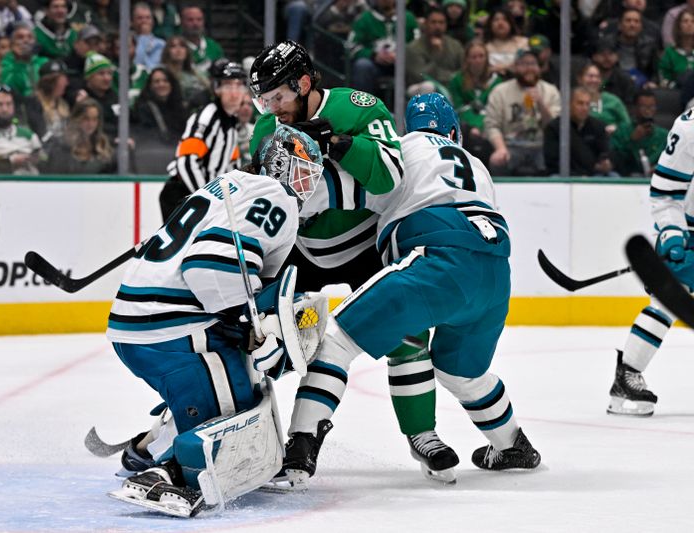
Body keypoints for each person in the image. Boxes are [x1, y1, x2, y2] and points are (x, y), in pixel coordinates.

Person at [274, 93, 541, 489]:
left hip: (437, 261)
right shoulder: (477, 164)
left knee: (336, 341)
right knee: (461, 373)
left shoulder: (402, 149)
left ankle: (299, 451)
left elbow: (336, 192)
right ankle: (513, 444)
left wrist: (272, 184)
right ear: (454, 131)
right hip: (495, 272)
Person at [105, 124, 324, 517]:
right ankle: (166, 473)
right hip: (173, 329)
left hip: (136, 324)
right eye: (302, 170)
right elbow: (208, 266)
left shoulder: (226, 184)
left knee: (234, 384)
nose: (307, 184)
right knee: (238, 420)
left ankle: (147, 449)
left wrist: (245, 319)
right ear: (278, 165)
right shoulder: (277, 197)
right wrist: (250, 325)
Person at [248, 39, 405, 480]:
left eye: (277, 96)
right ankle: (286, 442)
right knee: (260, 336)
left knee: (407, 338)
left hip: (365, 251)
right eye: (263, 99)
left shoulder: (359, 106)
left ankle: (422, 434)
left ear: (303, 83)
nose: (270, 108)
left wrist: (337, 143)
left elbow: (391, 178)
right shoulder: (267, 128)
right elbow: (266, 200)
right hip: (302, 252)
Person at [606, 104, 694, 416]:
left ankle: (626, 375)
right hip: (689, 230)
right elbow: (666, 192)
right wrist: (672, 232)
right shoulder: (689, 129)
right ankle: (627, 375)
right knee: (669, 300)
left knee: (666, 301)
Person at [159, 59, 247, 220]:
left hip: (203, 198)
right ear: (217, 89)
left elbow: (231, 167)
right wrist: (206, 198)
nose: (234, 93)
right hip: (182, 194)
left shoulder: (231, 123)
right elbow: (186, 162)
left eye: (239, 85)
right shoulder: (207, 118)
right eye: (228, 86)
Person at [485, 48, 561, 177]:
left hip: (541, 146)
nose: (529, 68)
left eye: (533, 64)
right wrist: (500, 149)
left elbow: (555, 127)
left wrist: (541, 103)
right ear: (515, 67)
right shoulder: (500, 91)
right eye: (524, 64)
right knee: (497, 161)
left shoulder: (551, 91)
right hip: (511, 145)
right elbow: (492, 125)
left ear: (539, 68)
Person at [346, 0, 419, 99]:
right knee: (362, 65)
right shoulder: (364, 19)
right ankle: (364, 107)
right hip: (375, 66)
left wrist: (402, 55)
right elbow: (351, 46)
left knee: (416, 65)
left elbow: (418, 44)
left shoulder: (408, 18)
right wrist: (373, 55)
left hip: (403, 65)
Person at [448, 39, 503, 164]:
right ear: (467, 59)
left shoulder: (497, 82)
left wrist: (481, 126)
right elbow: (459, 108)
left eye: (481, 56)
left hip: (489, 123)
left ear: (487, 58)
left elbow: (495, 109)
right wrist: (474, 126)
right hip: (466, 126)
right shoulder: (457, 80)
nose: (478, 60)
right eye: (473, 57)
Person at [543, 86, 614, 176]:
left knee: (613, 177)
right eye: (580, 103)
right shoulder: (554, 128)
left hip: (593, 174)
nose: (584, 108)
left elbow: (605, 152)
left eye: (587, 104)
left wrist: (606, 163)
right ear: (569, 104)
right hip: (564, 176)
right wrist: (578, 174)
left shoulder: (598, 126)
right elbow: (552, 162)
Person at [131, 65, 186, 173]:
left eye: (165, 81)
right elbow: (146, 135)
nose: (161, 84)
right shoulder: (143, 107)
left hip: (178, 158)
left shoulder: (181, 107)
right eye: (156, 81)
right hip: (153, 159)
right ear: (150, 85)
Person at [39, 98, 116, 174]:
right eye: (86, 119)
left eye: (95, 119)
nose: (91, 124)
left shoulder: (103, 145)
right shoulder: (61, 144)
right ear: (76, 118)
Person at [610, 89, 669, 176]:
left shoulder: (664, 135)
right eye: (643, 107)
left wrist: (659, 168)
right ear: (634, 108)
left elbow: (672, 160)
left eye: (652, 106)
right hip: (628, 178)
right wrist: (632, 141)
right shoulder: (622, 130)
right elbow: (615, 161)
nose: (648, 111)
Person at [405, 7, 464, 90]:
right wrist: (436, 54)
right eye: (433, 22)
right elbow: (420, 76)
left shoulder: (455, 45)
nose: (437, 26)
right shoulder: (413, 48)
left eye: (441, 22)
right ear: (425, 24)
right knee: (428, 86)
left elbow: (464, 70)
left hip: (450, 86)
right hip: (419, 90)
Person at [576, 62, 631, 135]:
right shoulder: (572, 100)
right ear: (579, 79)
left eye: (598, 77)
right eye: (590, 76)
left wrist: (616, 128)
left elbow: (627, 124)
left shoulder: (613, 100)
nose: (594, 80)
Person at [160, 34, 211, 112]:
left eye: (182, 46)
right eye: (173, 46)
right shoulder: (162, 74)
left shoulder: (198, 73)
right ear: (167, 51)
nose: (178, 50)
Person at [179, 5, 224, 75]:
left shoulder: (214, 46)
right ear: (182, 22)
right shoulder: (177, 46)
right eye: (190, 20)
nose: (195, 23)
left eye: (199, 19)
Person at [659, 7, 694, 89]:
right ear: (678, 25)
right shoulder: (669, 52)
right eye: (685, 21)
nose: (689, 24)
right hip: (676, 93)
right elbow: (664, 79)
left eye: (693, 21)